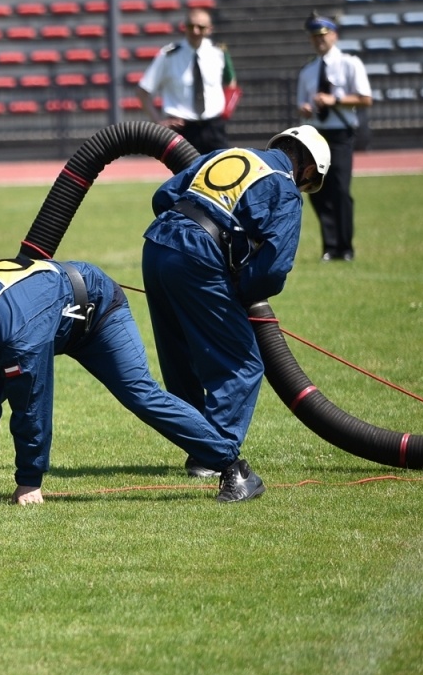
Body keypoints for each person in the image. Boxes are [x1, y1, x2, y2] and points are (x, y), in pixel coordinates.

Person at [0, 257, 252, 504]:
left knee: (139, 394)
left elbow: (32, 408)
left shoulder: (15, 337)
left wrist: (29, 482)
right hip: (34, 315)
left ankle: (233, 466)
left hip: (95, 313)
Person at [141, 126, 330, 498]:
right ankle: (214, 454)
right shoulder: (285, 188)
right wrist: (242, 291)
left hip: (157, 245)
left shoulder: (228, 154)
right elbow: (273, 268)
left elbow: (163, 196)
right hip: (196, 256)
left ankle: (199, 447)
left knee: (181, 355)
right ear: (308, 170)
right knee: (242, 364)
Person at [296, 13, 373, 261]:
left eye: (323, 34)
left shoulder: (350, 64)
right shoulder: (308, 70)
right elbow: (301, 104)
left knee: (340, 190)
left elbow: (365, 98)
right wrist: (306, 108)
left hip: (340, 134)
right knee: (317, 191)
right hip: (316, 134)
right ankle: (329, 247)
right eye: (314, 36)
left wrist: (335, 100)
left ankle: (345, 247)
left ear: (334, 35)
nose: (319, 40)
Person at [135, 9, 238, 155]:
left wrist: (226, 112)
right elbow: (142, 91)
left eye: (200, 27)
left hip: (214, 128)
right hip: (182, 130)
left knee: (223, 169)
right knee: (185, 170)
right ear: (184, 27)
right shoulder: (168, 55)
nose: (195, 31)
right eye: (191, 26)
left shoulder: (219, 52)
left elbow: (231, 82)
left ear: (209, 29)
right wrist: (158, 122)